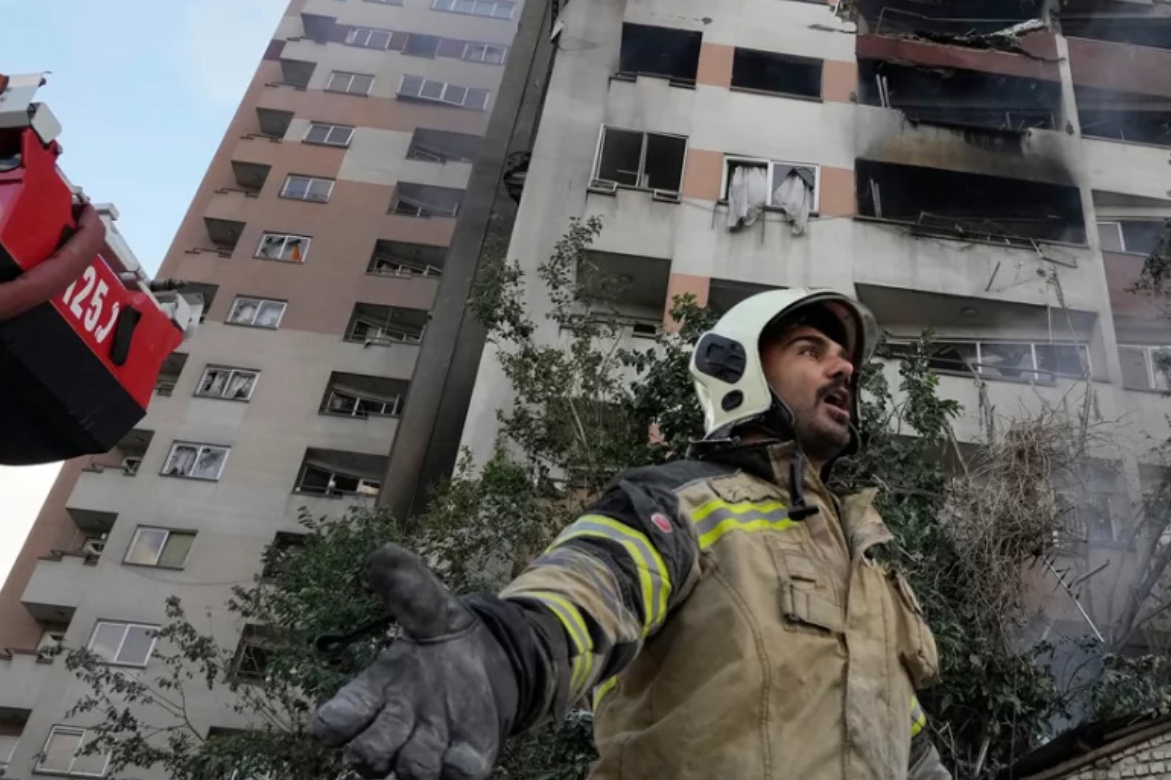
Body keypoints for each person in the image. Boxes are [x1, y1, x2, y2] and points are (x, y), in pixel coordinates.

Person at [308, 288, 952, 780]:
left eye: (845, 359)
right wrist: (502, 655)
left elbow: (907, 742)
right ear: (739, 370)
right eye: (811, 351)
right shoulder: (683, 501)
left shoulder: (869, 562)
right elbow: (595, 585)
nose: (843, 368)